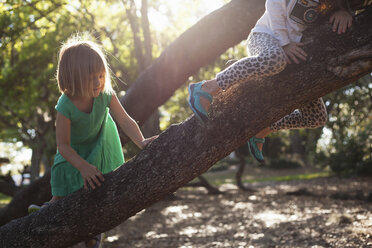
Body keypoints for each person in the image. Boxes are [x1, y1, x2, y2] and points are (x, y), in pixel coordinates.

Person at [28, 35, 157, 248]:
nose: (98, 82)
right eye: (91, 78)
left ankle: (93, 236)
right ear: (73, 78)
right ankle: (42, 215)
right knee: (61, 198)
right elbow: (63, 146)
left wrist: (141, 141)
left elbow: (124, 119)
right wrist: (83, 167)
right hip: (73, 155)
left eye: (100, 75)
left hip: (99, 146)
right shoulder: (65, 106)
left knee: (97, 196)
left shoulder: (105, 94)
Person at [188, 0, 352, 163]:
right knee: (274, 59)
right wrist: (284, 43)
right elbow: (274, 4)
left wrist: (344, 11)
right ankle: (207, 88)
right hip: (266, 36)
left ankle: (263, 129)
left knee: (317, 118)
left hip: (293, 55)